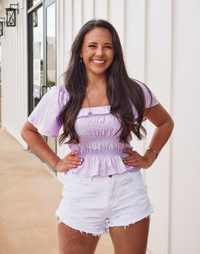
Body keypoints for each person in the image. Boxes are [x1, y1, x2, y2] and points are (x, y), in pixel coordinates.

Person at [21, 19, 174, 254]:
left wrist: (149, 156)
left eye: (108, 46)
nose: (100, 53)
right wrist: (56, 162)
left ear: (115, 52)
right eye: (92, 46)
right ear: (81, 52)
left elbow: (165, 122)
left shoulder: (133, 91)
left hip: (128, 192)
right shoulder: (63, 95)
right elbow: (28, 131)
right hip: (82, 192)